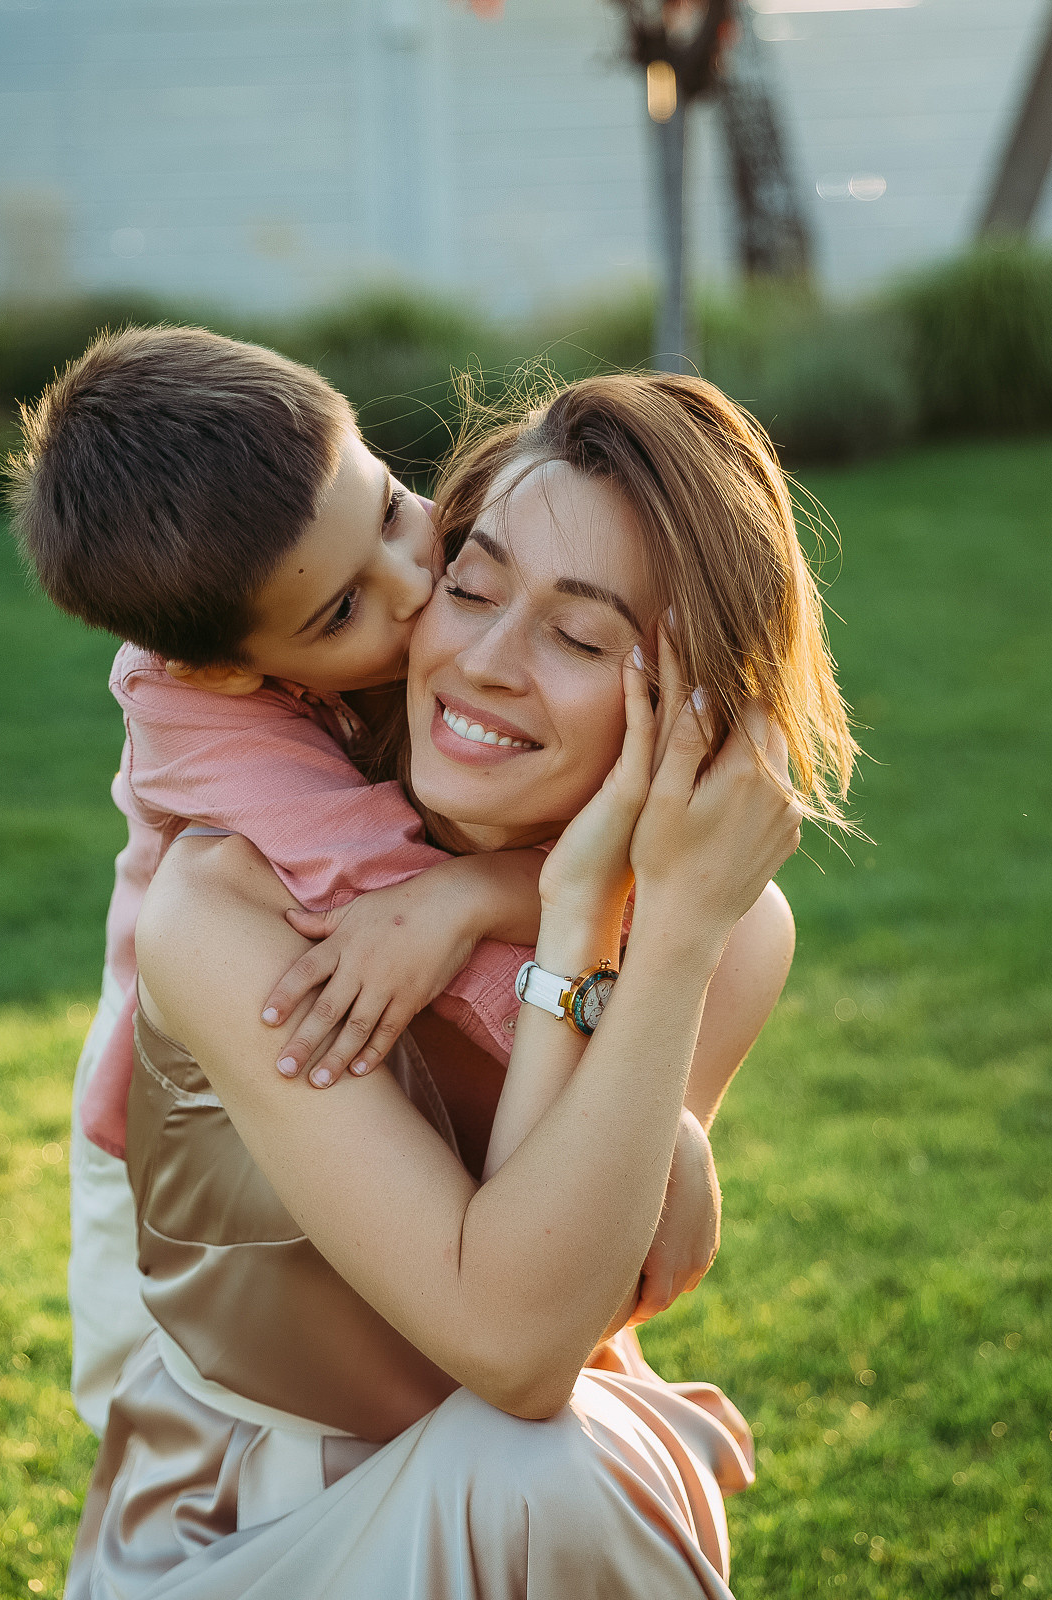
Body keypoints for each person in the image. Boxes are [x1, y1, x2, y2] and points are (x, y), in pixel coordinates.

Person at [66, 372, 857, 1598]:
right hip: (242, 1528)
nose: (483, 662)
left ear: (696, 706)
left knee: (547, 1469)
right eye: (473, 588)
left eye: (580, 637)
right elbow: (517, 1347)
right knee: (551, 1474)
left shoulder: (720, 932)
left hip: (518, 1476)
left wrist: (587, 915)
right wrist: (575, 934)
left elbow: (551, 1324)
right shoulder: (233, 910)